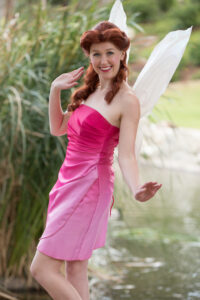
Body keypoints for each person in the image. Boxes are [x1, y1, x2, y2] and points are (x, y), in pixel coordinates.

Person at [30, 21, 162, 300]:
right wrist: (55, 89)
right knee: (75, 269)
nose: (104, 60)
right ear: (89, 57)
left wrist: (137, 188)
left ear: (123, 54)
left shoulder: (127, 100)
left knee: (41, 269)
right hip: (67, 181)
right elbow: (58, 128)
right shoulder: (87, 91)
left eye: (110, 52)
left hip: (90, 186)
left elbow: (125, 154)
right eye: (96, 54)